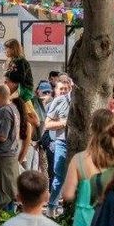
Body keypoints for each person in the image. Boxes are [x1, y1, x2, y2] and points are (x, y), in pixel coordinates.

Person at [0, 84, 23, 212]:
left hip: (3, 159)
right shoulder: (13, 108)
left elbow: (2, 136)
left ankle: (4, 222)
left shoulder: (4, 111)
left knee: (2, 197)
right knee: (9, 194)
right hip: (10, 157)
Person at [43, 74, 72, 212]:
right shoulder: (58, 101)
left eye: (67, 88)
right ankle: (52, 207)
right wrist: (64, 123)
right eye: (61, 89)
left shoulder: (81, 101)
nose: (64, 91)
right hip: (62, 142)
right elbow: (47, 124)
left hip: (79, 143)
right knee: (59, 175)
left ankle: (69, 208)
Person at [3, 39, 35, 103]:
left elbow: (20, 77)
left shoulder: (20, 61)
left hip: (24, 91)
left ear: (13, 49)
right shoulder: (13, 61)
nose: (5, 51)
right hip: (18, 91)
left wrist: (7, 73)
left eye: (6, 48)